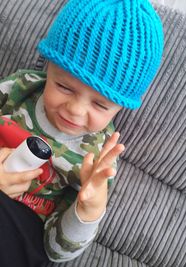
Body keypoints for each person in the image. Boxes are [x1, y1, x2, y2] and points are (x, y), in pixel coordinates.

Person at [0, 0, 164, 266]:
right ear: (48, 67)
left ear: (120, 108)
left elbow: (56, 252)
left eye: (100, 104)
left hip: (25, 232)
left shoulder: (98, 159)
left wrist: (87, 211)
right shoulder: (20, 87)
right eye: (64, 86)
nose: (75, 111)